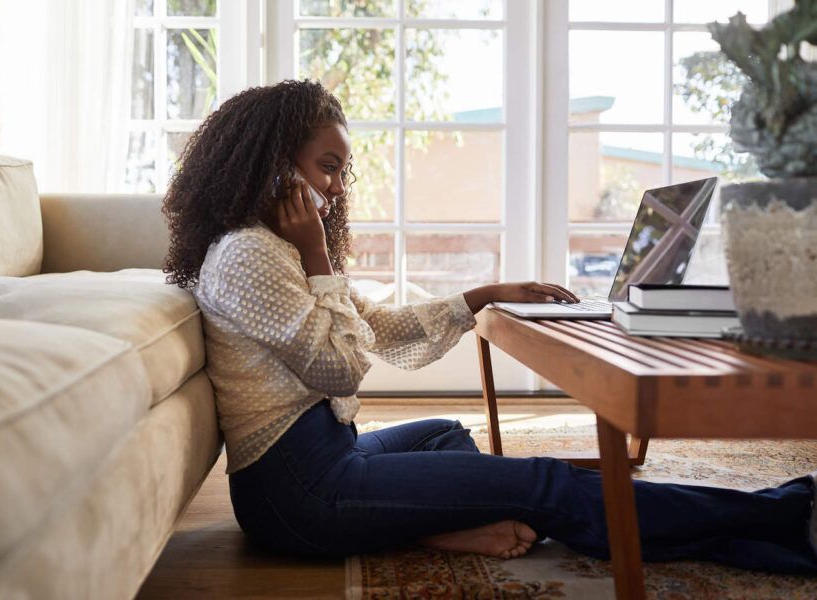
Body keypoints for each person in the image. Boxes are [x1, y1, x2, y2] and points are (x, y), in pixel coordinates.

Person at [161, 79, 817, 573]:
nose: (334, 189)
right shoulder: (251, 255)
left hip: (327, 456)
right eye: (325, 168)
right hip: (298, 495)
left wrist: (480, 296)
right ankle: (782, 515)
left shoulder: (273, 249)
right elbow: (342, 366)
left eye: (340, 171)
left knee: (447, 432)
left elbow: (378, 329)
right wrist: (318, 258)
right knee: (543, 485)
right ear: (271, 165)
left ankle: (430, 525)